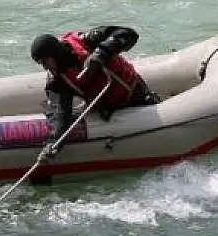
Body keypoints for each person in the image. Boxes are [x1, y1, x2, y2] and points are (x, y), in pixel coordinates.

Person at [29, 26, 161, 146]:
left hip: (135, 93)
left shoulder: (87, 41)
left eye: (45, 61)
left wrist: (101, 53)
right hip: (107, 108)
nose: (45, 67)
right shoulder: (57, 82)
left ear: (54, 54)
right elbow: (60, 116)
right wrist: (53, 142)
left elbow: (130, 34)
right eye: (41, 63)